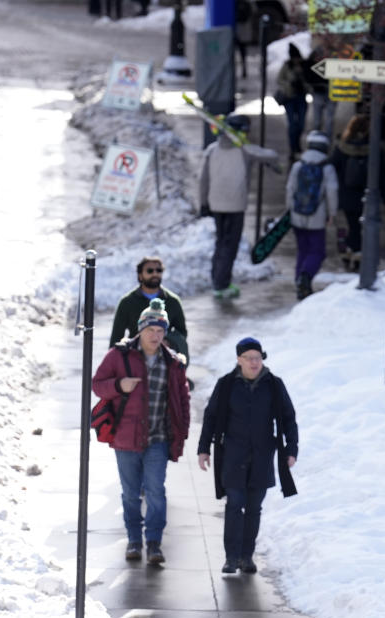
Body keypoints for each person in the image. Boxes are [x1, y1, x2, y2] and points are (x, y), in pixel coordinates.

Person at [92, 299, 191, 565]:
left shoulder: (172, 363)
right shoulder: (119, 355)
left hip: (158, 439)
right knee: (130, 493)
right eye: (151, 330)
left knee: (156, 491)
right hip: (126, 439)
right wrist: (119, 385)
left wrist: (182, 432)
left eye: (161, 331)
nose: (156, 336)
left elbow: (182, 399)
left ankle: (154, 543)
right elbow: (97, 385)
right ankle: (134, 540)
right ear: (140, 330)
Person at [197, 337, 298, 574]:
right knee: (234, 505)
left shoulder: (273, 385)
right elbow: (211, 417)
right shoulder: (226, 384)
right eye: (249, 358)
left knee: (254, 508)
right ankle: (231, 558)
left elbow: (288, 417)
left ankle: (246, 556)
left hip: (262, 456)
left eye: (258, 357)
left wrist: (291, 449)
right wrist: (204, 449)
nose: (254, 362)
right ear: (239, 360)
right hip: (233, 456)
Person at [199, 114, 256, 299]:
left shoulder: (212, 150)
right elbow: (268, 156)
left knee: (220, 242)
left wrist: (203, 203)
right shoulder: (244, 151)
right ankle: (221, 284)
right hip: (235, 205)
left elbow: (203, 180)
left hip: (216, 204)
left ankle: (217, 278)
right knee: (230, 245)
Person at [330, 113, 385, 267]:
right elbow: (382, 174)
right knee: (363, 226)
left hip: (346, 195)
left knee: (351, 225)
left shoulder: (342, 148)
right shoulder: (374, 150)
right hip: (366, 194)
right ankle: (357, 253)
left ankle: (350, 251)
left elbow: (331, 169)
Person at [286, 130, 339, 299]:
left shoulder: (298, 165)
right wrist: (332, 213)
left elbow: (290, 189)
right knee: (317, 251)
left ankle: (299, 281)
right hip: (317, 216)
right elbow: (332, 191)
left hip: (297, 215)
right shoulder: (327, 167)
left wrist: (290, 209)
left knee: (302, 249)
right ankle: (306, 276)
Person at [110, 256, 188, 364]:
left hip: (165, 359)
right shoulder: (127, 302)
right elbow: (116, 337)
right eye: (150, 271)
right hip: (134, 358)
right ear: (140, 275)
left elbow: (182, 332)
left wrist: (168, 341)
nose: (155, 274)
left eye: (159, 270)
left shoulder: (172, 301)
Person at [276, 43, 309, 164]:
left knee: (300, 124)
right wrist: (289, 82)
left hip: (301, 98)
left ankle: (298, 145)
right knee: (292, 124)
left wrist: (301, 77)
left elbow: (309, 81)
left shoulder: (304, 66)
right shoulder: (287, 66)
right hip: (289, 98)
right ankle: (292, 148)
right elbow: (279, 79)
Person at [304, 47, 336, 137]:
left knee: (329, 121)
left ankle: (327, 143)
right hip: (318, 92)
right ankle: (315, 141)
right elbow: (308, 77)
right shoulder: (311, 64)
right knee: (317, 121)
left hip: (331, 92)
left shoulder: (331, 63)